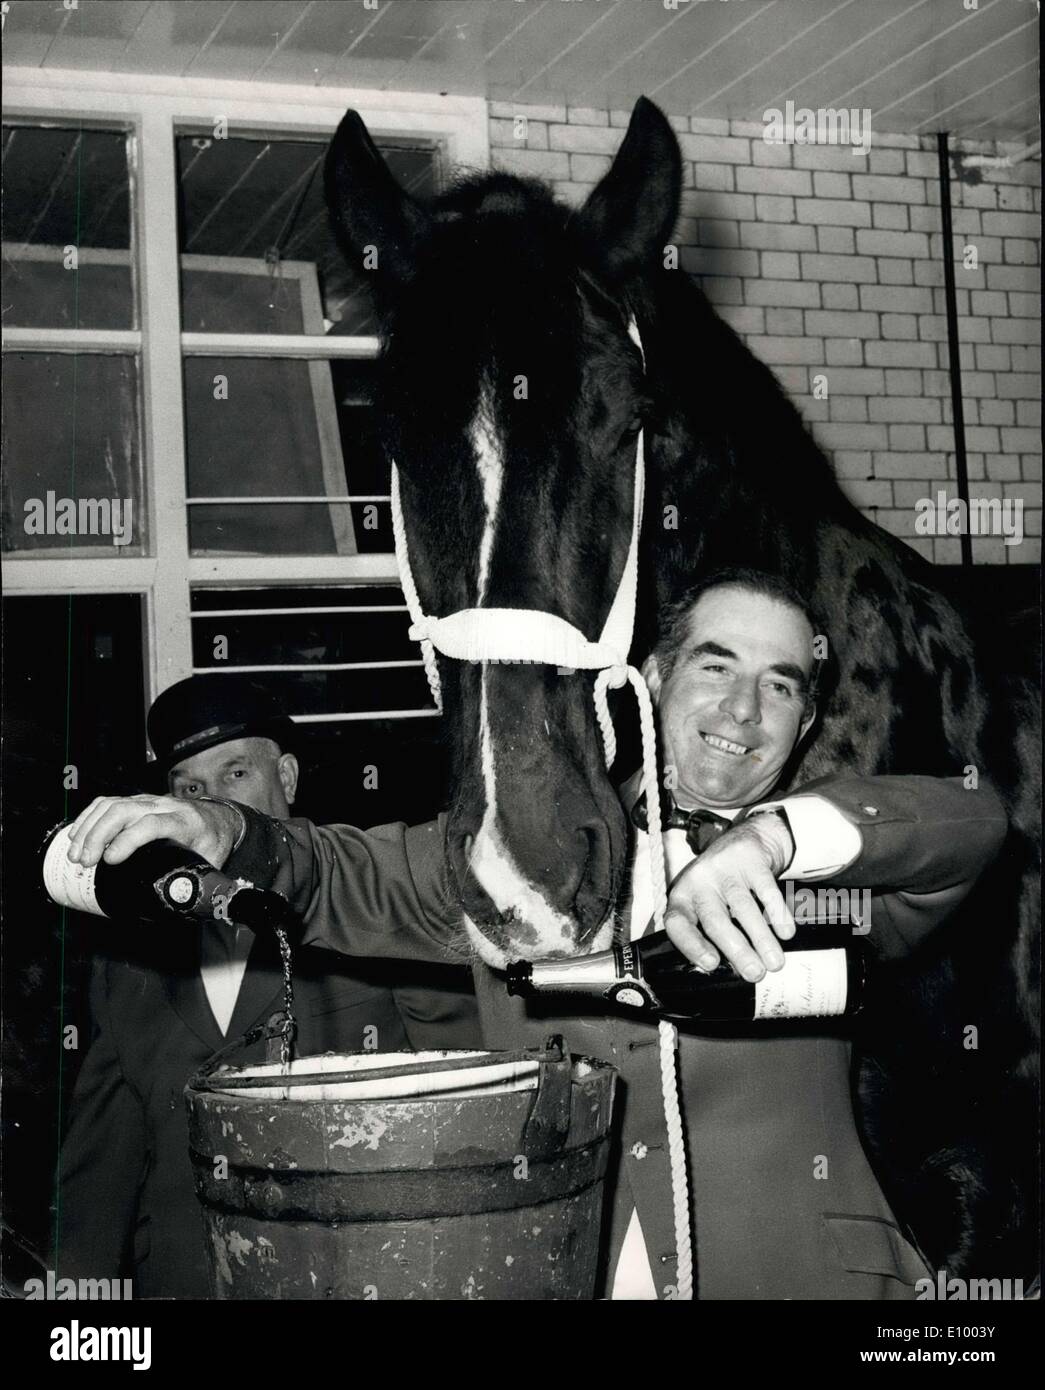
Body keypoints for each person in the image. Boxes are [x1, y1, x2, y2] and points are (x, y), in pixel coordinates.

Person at [63, 574, 1008, 1300]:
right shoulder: (519, 861)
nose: (742, 711)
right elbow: (342, 874)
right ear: (650, 679)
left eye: (780, 685)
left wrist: (775, 837)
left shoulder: (833, 873)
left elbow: (971, 824)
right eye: (715, 666)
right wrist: (231, 833)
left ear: (804, 721)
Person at [56, 675, 480, 1299]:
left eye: (236, 774)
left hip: (356, 1276)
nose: (211, 799)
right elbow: (100, 1173)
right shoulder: (130, 964)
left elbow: (465, 1109)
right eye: (190, 788)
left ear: (285, 777)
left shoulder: (374, 921)